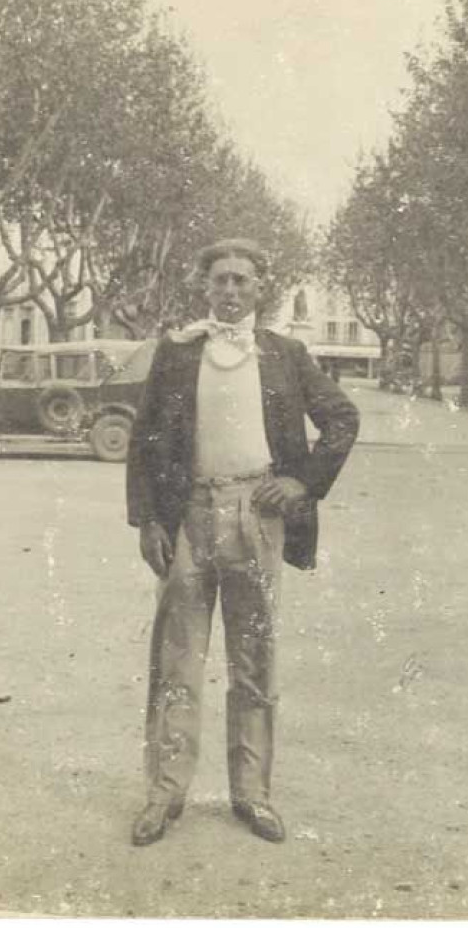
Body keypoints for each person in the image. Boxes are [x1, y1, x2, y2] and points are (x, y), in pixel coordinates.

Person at [126, 238, 360, 846]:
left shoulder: (285, 353)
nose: (231, 291)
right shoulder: (177, 353)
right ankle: (165, 793)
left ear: (261, 290)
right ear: (205, 287)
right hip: (189, 517)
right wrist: (150, 520)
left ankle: (252, 795)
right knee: (177, 660)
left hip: (257, 517)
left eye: (243, 282)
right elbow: (146, 438)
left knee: (254, 662)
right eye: (221, 280)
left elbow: (342, 418)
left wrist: (301, 481)